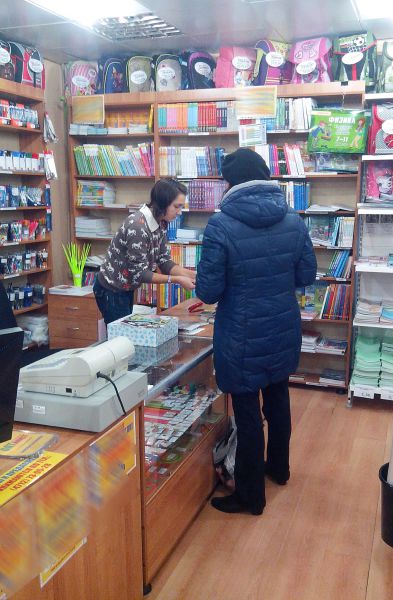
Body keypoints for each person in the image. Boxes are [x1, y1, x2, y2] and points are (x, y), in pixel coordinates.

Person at [195, 148, 317, 516]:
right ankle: (279, 469)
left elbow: (208, 291)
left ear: (230, 183)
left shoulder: (220, 226)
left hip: (241, 333)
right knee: (278, 400)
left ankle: (250, 496)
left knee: (248, 415)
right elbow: (306, 275)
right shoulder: (293, 220)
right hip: (282, 326)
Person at [94, 179, 195, 325]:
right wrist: (177, 279)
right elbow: (140, 273)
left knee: (126, 333)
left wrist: (192, 275)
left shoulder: (162, 221)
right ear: (163, 203)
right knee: (121, 336)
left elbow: (164, 261)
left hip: (126, 288)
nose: (179, 212)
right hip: (112, 289)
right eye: (176, 206)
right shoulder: (138, 226)